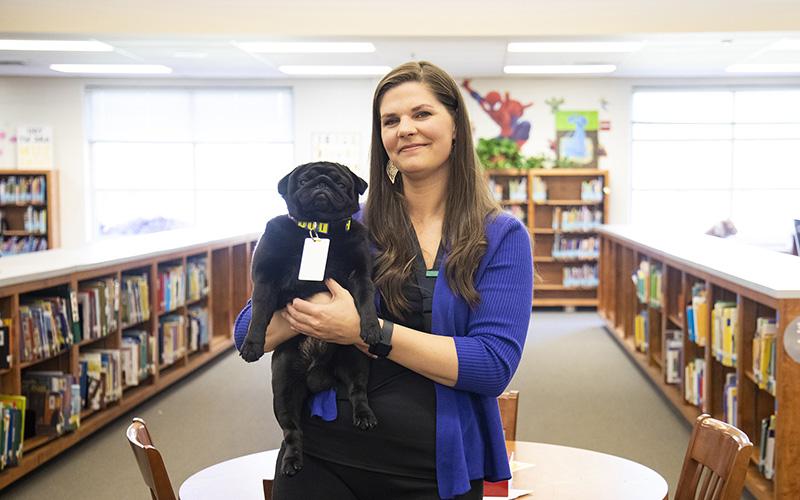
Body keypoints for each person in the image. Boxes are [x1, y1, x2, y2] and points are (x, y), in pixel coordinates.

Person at [233, 61, 533, 500]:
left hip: (432, 470)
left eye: (422, 114)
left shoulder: (501, 236)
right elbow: (247, 331)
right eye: (390, 121)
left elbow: (491, 366)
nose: (405, 129)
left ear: (456, 126)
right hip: (323, 458)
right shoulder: (342, 225)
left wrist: (364, 332)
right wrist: (309, 314)